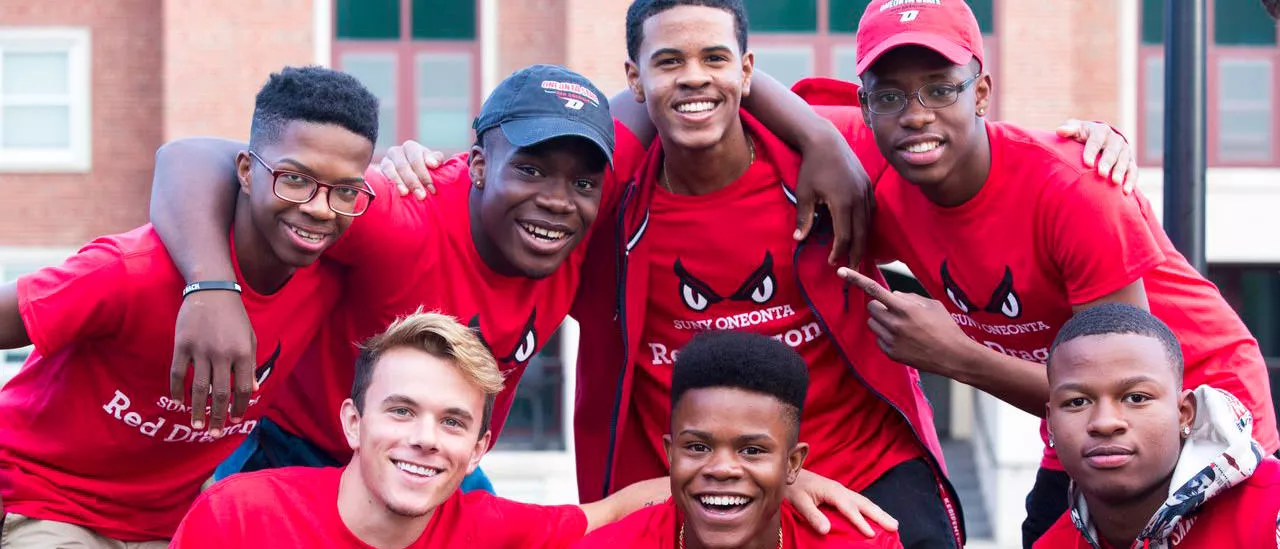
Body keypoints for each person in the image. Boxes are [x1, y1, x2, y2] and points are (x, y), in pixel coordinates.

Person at [827, 1, 1280, 546]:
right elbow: (730, 90)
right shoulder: (879, 162)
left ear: (981, 93)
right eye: (890, 95)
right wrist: (814, 147)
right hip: (1077, 412)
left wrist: (954, 356)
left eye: (942, 88)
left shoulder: (1075, 190)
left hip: (1191, 402)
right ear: (865, 105)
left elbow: (1120, 384)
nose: (916, 113)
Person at [0, 66, 377, 547]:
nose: (321, 207)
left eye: (344, 190)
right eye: (294, 179)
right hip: (50, 503)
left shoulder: (330, 278)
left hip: (174, 521)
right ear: (245, 171)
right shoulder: (131, 270)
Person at [171, 311, 666, 548]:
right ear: (353, 423)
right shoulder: (238, 517)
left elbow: (616, 511)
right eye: (402, 410)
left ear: (478, 451)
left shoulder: (490, 531)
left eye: (452, 421)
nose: (426, 438)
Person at [573, 330, 902, 549]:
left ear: (793, 463)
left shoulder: (862, 544)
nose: (722, 468)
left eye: (752, 450)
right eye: (698, 447)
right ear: (670, 454)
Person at [1034, 303, 1280, 548]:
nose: (1105, 423)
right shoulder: (1053, 544)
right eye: (1077, 402)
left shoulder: (1271, 508)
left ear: (1184, 413)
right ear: (1051, 424)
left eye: (1137, 398)